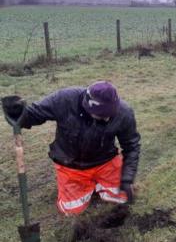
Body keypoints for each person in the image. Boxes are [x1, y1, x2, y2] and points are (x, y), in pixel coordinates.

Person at [1, 81, 141, 216]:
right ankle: (87, 187)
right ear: (88, 106)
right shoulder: (65, 99)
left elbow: (131, 146)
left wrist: (127, 177)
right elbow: (34, 114)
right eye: (101, 116)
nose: (106, 119)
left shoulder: (124, 112)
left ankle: (96, 185)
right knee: (71, 210)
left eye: (109, 116)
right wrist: (18, 114)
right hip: (71, 165)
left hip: (105, 161)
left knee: (123, 197)